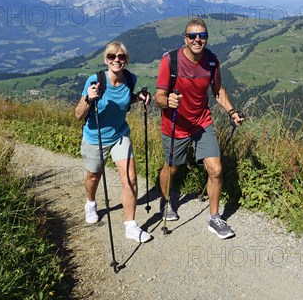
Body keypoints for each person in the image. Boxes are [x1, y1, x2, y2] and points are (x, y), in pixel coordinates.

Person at [154, 17, 244, 239]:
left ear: (206, 38)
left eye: (202, 36)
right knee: (172, 168)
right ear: (185, 39)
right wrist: (167, 102)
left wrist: (232, 112)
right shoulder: (170, 61)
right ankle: (165, 201)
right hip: (175, 123)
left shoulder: (212, 61)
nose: (197, 40)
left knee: (216, 169)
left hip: (202, 122)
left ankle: (214, 218)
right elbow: (158, 97)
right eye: (192, 36)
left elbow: (218, 90)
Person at [75, 40, 152, 244]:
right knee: (94, 176)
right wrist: (88, 99)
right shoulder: (96, 80)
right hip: (95, 137)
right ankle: (90, 203)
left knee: (131, 179)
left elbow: (127, 99)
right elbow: (78, 115)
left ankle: (131, 226)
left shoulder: (130, 78)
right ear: (105, 59)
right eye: (112, 56)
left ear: (126, 60)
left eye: (121, 57)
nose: (116, 60)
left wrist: (139, 97)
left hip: (120, 135)